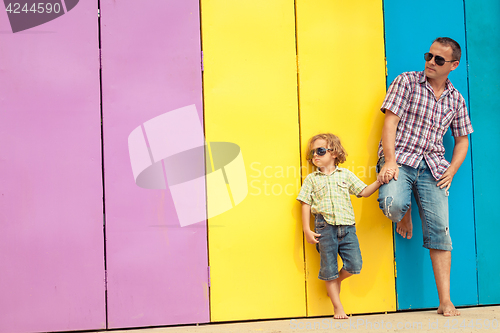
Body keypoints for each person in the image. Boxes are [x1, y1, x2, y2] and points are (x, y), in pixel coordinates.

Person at [376, 37, 473, 317]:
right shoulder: (406, 81)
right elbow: (390, 122)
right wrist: (390, 161)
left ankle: (445, 300)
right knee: (393, 204)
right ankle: (403, 210)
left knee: (441, 231)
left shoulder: (456, 99)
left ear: (453, 65)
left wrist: (451, 169)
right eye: (429, 56)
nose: (431, 62)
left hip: (433, 166)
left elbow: (462, 140)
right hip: (401, 158)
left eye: (439, 60)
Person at [297, 133, 392, 319]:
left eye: (320, 150)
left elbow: (363, 192)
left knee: (355, 265)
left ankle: (336, 281)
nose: (315, 155)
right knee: (329, 268)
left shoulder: (345, 175)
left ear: (334, 153)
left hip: (347, 228)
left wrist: (379, 181)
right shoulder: (311, 179)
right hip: (324, 228)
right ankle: (338, 307)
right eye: (312, 153)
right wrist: (306, 230)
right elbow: (305, 203)